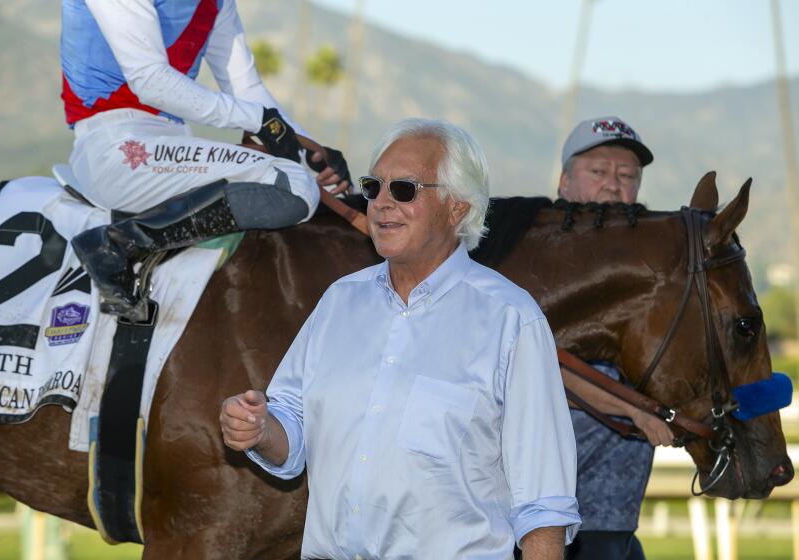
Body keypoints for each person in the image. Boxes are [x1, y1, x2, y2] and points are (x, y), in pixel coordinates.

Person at [220, 118, 581, 559]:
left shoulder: (510, 318)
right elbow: (291, 428)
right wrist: (258, 428)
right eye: (374, 187)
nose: (382, 203)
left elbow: (543, 503)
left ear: (457, 207)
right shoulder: (339, 302)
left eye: (405, 190)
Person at [60, 0, 350, 318]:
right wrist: (259, 122)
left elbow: (246, 88)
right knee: (294, 187)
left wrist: (311, 152)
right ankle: (116, 245)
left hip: (171, 147)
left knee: (301, 180)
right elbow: (151, 81)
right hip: (114, 147)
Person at [557, 116, 675, 560]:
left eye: (627, 176)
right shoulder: (531, 260)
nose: (613, 185)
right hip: (528, 514)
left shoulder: (653, 269)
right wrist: (631, 409)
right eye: (599, 172)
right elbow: (530, 365)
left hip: (615, 518)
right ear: (565, 182)